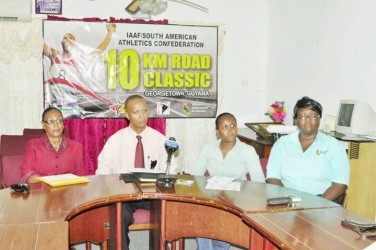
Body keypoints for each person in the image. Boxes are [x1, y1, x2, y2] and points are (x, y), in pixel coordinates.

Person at [95, 95, 177, 250]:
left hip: (153, 194)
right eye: (137, 112)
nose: (142, 116)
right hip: (124, 196)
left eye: (145, 111)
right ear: (127, 115)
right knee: (119, 216)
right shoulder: (116, 140)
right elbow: (103, 171)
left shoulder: (160, 139)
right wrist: (114, 189)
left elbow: (171, 169)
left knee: (165, 213)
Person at [191, 112, 266, 250]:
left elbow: (259, 182)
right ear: (217, 132)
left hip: (237, 199)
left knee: (223, 220)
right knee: (202, 215)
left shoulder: (247, 150)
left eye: (233, 126)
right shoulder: (208, 148)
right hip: (212, 196)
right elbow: (196, 176)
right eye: (225, 127)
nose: (230, 131)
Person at [266, 96, 349, 204]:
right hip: (287, 200)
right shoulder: (282, 144)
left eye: (314, 116)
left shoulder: (334, 146)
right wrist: (288, 199)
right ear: (295, 120)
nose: (309, 120)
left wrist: (316, 205)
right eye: (303, 116)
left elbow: (340, 184)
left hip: (322, 202)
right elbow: (272, 177)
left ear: (319, 119)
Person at [21, 107, 85, 183]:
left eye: (59, 120)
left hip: (67, 191)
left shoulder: (76, 147)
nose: (56, 125)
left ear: (63, 124)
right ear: (43, 124)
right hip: (42, 190)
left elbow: (80, 174)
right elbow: (27, 173)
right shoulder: (34, 145)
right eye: (51, 121)